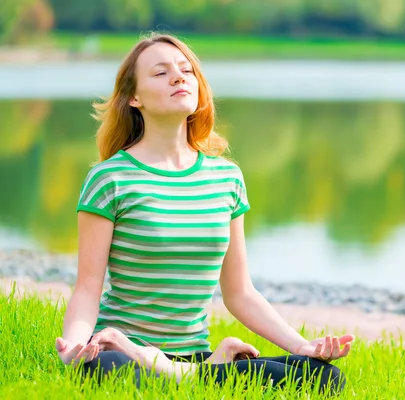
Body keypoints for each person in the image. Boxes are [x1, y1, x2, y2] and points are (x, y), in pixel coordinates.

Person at [54, 32, 354, 395]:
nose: (178, 77)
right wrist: (74, 347)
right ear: (134, 98)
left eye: (186, 70)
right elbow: (88, 287)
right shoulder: (110, 179)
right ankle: (192, 370)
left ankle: (192, 373)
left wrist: (300, 346)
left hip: (194, 355)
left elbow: (240, 292)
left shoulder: (226, 178)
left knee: (324, 378)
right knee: (107, 369)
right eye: (160, 73)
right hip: (121, 350)